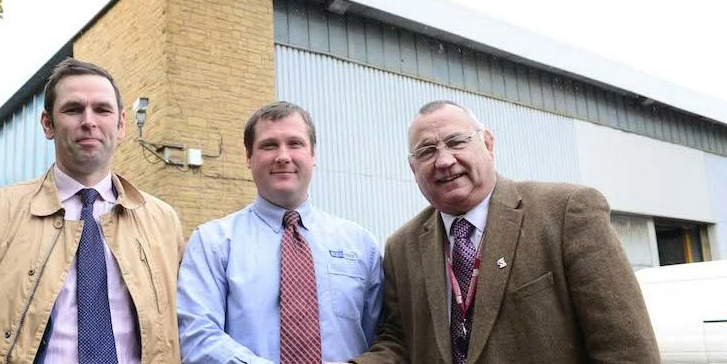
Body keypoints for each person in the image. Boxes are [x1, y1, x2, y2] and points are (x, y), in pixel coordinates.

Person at [351, 100, 660, 364]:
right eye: (427, 151)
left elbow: (627, 350)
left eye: (457, 142)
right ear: (413, 168)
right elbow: (400, 342)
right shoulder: (401, 247)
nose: (444, 161)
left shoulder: (567, 212)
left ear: (488, 144)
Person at [0, 58, 184, 363]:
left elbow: (181, 325)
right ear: (47, 124)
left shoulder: (162, 220)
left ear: (122, 124)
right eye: (73, 109)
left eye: (102, 109)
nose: (89, 121)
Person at [177, 101, 383, 363]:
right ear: (248, 158)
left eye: (295, 144)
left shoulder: (361, 244)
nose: (283, 156)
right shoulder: (211, 243)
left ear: (313, 155)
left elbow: (383, 338)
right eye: (269, 145)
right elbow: (197, 337)